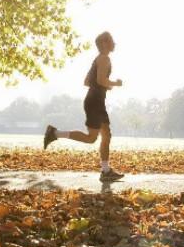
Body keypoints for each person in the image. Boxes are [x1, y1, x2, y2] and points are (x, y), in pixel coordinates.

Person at [44, 31, 125, 182]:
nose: (114, 43)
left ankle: (106, 170)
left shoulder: (98, 59)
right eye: (111, 40)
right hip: (95, 101)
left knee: (104, 135)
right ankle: (54, 133)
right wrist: (115, 83)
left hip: (94, 100)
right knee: (93, 138)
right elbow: (100, 80)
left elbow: (88, 81)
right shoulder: (104, 59)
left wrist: (104, 85)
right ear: (104, 43)